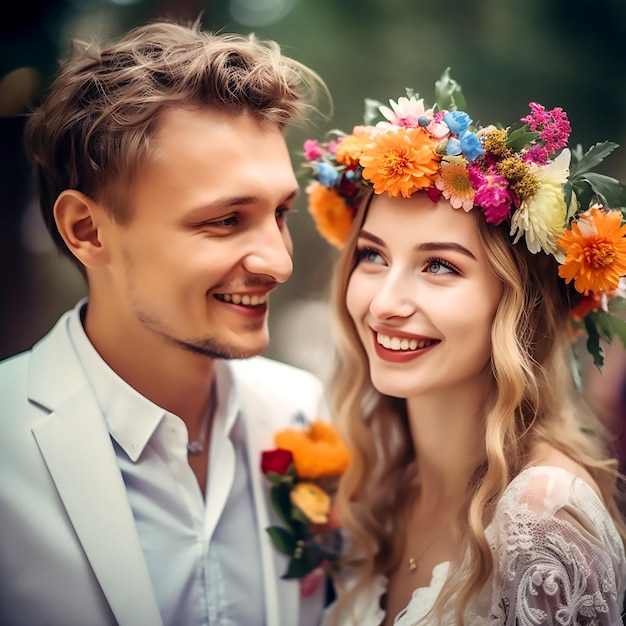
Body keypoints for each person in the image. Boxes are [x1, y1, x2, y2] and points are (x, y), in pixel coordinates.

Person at [0, 19, 330, 626]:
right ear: (88, 231)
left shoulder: (306, 413)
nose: (279, 263)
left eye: (279, 213)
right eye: (225, 220)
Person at [302, 70, 626, 624]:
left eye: (438, 266)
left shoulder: (543, 518)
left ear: (516, 306)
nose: (384, 303)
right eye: (373, 256)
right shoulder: (375, 488)